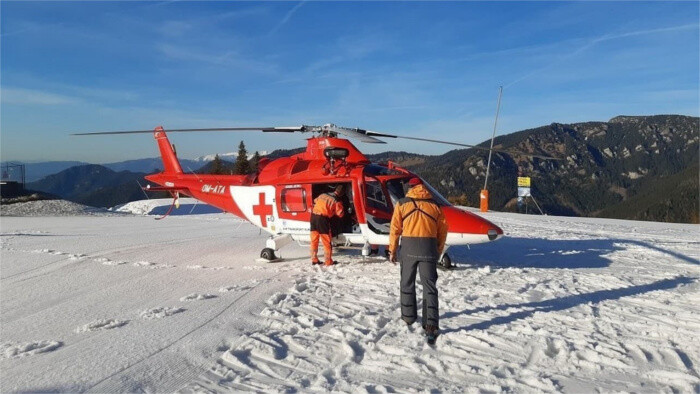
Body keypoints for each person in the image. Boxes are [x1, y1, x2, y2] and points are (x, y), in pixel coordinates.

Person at [388, 177, 448, 344]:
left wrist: (392, 250)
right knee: (430, 287)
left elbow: (395, 229)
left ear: (410, 188)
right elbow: (443, 230)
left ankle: (408, 317)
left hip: (408, 248)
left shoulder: (402, 204)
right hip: (428, 248)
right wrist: (438, 249)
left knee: (407, 282)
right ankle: (431, 326)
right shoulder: (435, 205)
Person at [310, 184, 345, 266]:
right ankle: (328, 262)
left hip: (313, 218)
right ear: (342, 194)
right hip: (322, 220)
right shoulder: (336, 201)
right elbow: (340, 214)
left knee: (314, 240)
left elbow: (315, 201)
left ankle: (314, 259)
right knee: (326, 242)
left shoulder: (323, 195)